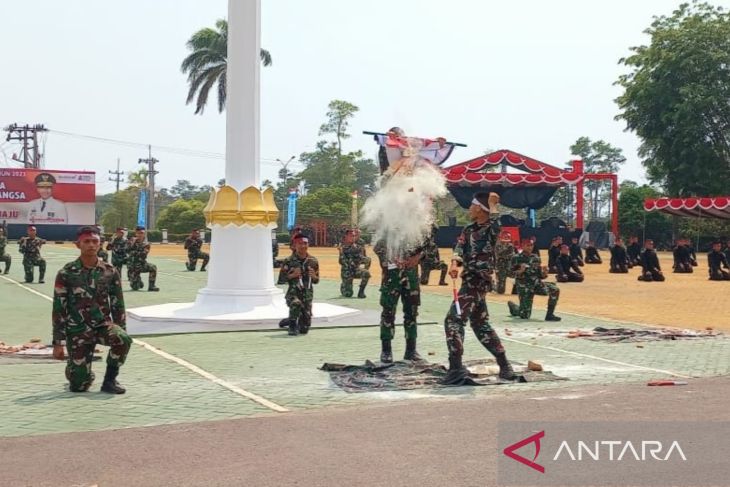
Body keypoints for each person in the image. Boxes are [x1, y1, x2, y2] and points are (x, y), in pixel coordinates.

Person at [442, 192, 515, 384]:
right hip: (469, 280)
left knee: (453, 321)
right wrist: (455, 263)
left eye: (473, 206)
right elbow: (459, 247)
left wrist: (492, 205)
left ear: (481, 209)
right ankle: (505, 365)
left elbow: (497, 223)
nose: (469, 209)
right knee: (480, 324)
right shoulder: (468, 229)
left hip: (478, 281)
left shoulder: (491, 228)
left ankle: (456, 367)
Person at [51, 226, 131, 394]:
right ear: (77, 244)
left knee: (123, 339)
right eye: (86, 241)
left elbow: (118, 303)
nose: (91, 245)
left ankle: (109, 381)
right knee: (79, 387)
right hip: (77, 331)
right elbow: (59, 308)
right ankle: (76, 369)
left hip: (102, 326)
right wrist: (58, 343)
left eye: (95, 241)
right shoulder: (66, 273)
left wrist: (121, 329)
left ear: (100, 244)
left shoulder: (110, 271)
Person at [374, 238, 423, 363]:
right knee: (388, 313)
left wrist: (418, 257)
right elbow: (378, 248)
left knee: (411, 313)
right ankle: (386, 350)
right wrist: (390, 260)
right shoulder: (388, 228)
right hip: (392, 277)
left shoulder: (416, 231)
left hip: (410, 275)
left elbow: (426, 249)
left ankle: (411, 350)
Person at [508, 238, 561, 321]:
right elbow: (510, 274)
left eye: (531, 245)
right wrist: (520, 271)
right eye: (527, 245)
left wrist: (544, 273)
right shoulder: (516, 258)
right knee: (525, 315)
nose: (530, 247)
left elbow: (539, 275)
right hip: (524, 287)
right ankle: (515, 308)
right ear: (523, 246)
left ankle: (550, 315)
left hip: (536, 284)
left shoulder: (536, 258)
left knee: (555, 289)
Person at [277, 234, 319, 336]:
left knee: (304, 329)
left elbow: (316, 281)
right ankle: (292, 325)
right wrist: (292, 275)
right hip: (293, 294)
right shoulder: (288, 261)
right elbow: (281, 280)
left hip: (307, 296)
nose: (303, 246)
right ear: (294, 245)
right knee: (296, 303)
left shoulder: (313, 261)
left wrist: (313, 276)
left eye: (305, 243)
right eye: (300, 243)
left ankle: (289, 320)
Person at [338, 229, 371, 298]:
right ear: (346, 236)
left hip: (355, 270)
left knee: (366, 273)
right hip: (346, 272)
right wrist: (341, 253)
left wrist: (365, 267)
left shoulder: (357, 247)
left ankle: (361, 292)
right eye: (351, 236)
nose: (353, 237)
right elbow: (342, 262)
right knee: (348, 294)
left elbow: (360, 258)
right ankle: (344, 285)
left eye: (354, 236)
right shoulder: (342, 247)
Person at [126, 226, 159, 291]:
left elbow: (143, 255)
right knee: (135, 287)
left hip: (141, 264)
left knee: (153, 267)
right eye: (138, 233)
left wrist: (133, 252)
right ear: (136, 233)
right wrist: (133, 245)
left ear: (144, 234)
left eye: (141, 233)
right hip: (132, 267)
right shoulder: (131, 241)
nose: (140, 235)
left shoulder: (146, 244)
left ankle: (151, 286)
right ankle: (138, 281)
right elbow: (127, 250)